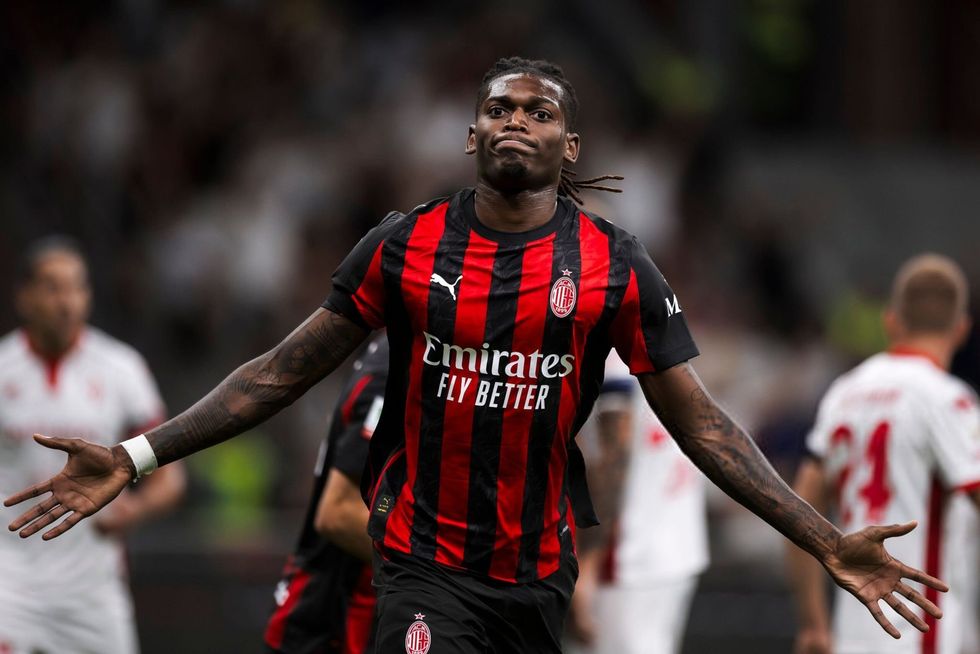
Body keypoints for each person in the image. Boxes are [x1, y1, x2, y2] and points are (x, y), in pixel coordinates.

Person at [5, 58, 948, 653]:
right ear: (471, 135)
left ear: (568, 145)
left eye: (539, 111)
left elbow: (703, 426)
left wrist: (826, 540)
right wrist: (137, 455)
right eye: (500, 107)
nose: (516, 120)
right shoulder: (403, 244)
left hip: (539, 576)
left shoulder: (615, 265)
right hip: (422, 564)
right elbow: (276, 373)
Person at [787, 253, 980, 654]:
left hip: (851, 631)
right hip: (922, 633)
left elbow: (799, 507)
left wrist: (813, 624)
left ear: (891, 321)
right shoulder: (948, 400)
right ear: (961, 329)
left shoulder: (844, 392)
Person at [0, 237, 186, 654]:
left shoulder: (121, 369)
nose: (66, 302)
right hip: (9, 587)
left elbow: (170, 478)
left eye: (76, 288)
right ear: (25, 297)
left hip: (92, 591)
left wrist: (136, 509)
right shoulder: (2, 368)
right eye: (53, 288)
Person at [570, 351, 709, 654]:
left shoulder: (611, 358)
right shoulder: (658, 341)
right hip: (674, 539)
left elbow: (614, 461)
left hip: (626, 550)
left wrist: (587, 564)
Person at [264, 334, 388, 654]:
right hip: (332, 618)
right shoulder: (394, 364)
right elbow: (338, 513)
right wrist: (443, 566)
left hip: (369, 614)